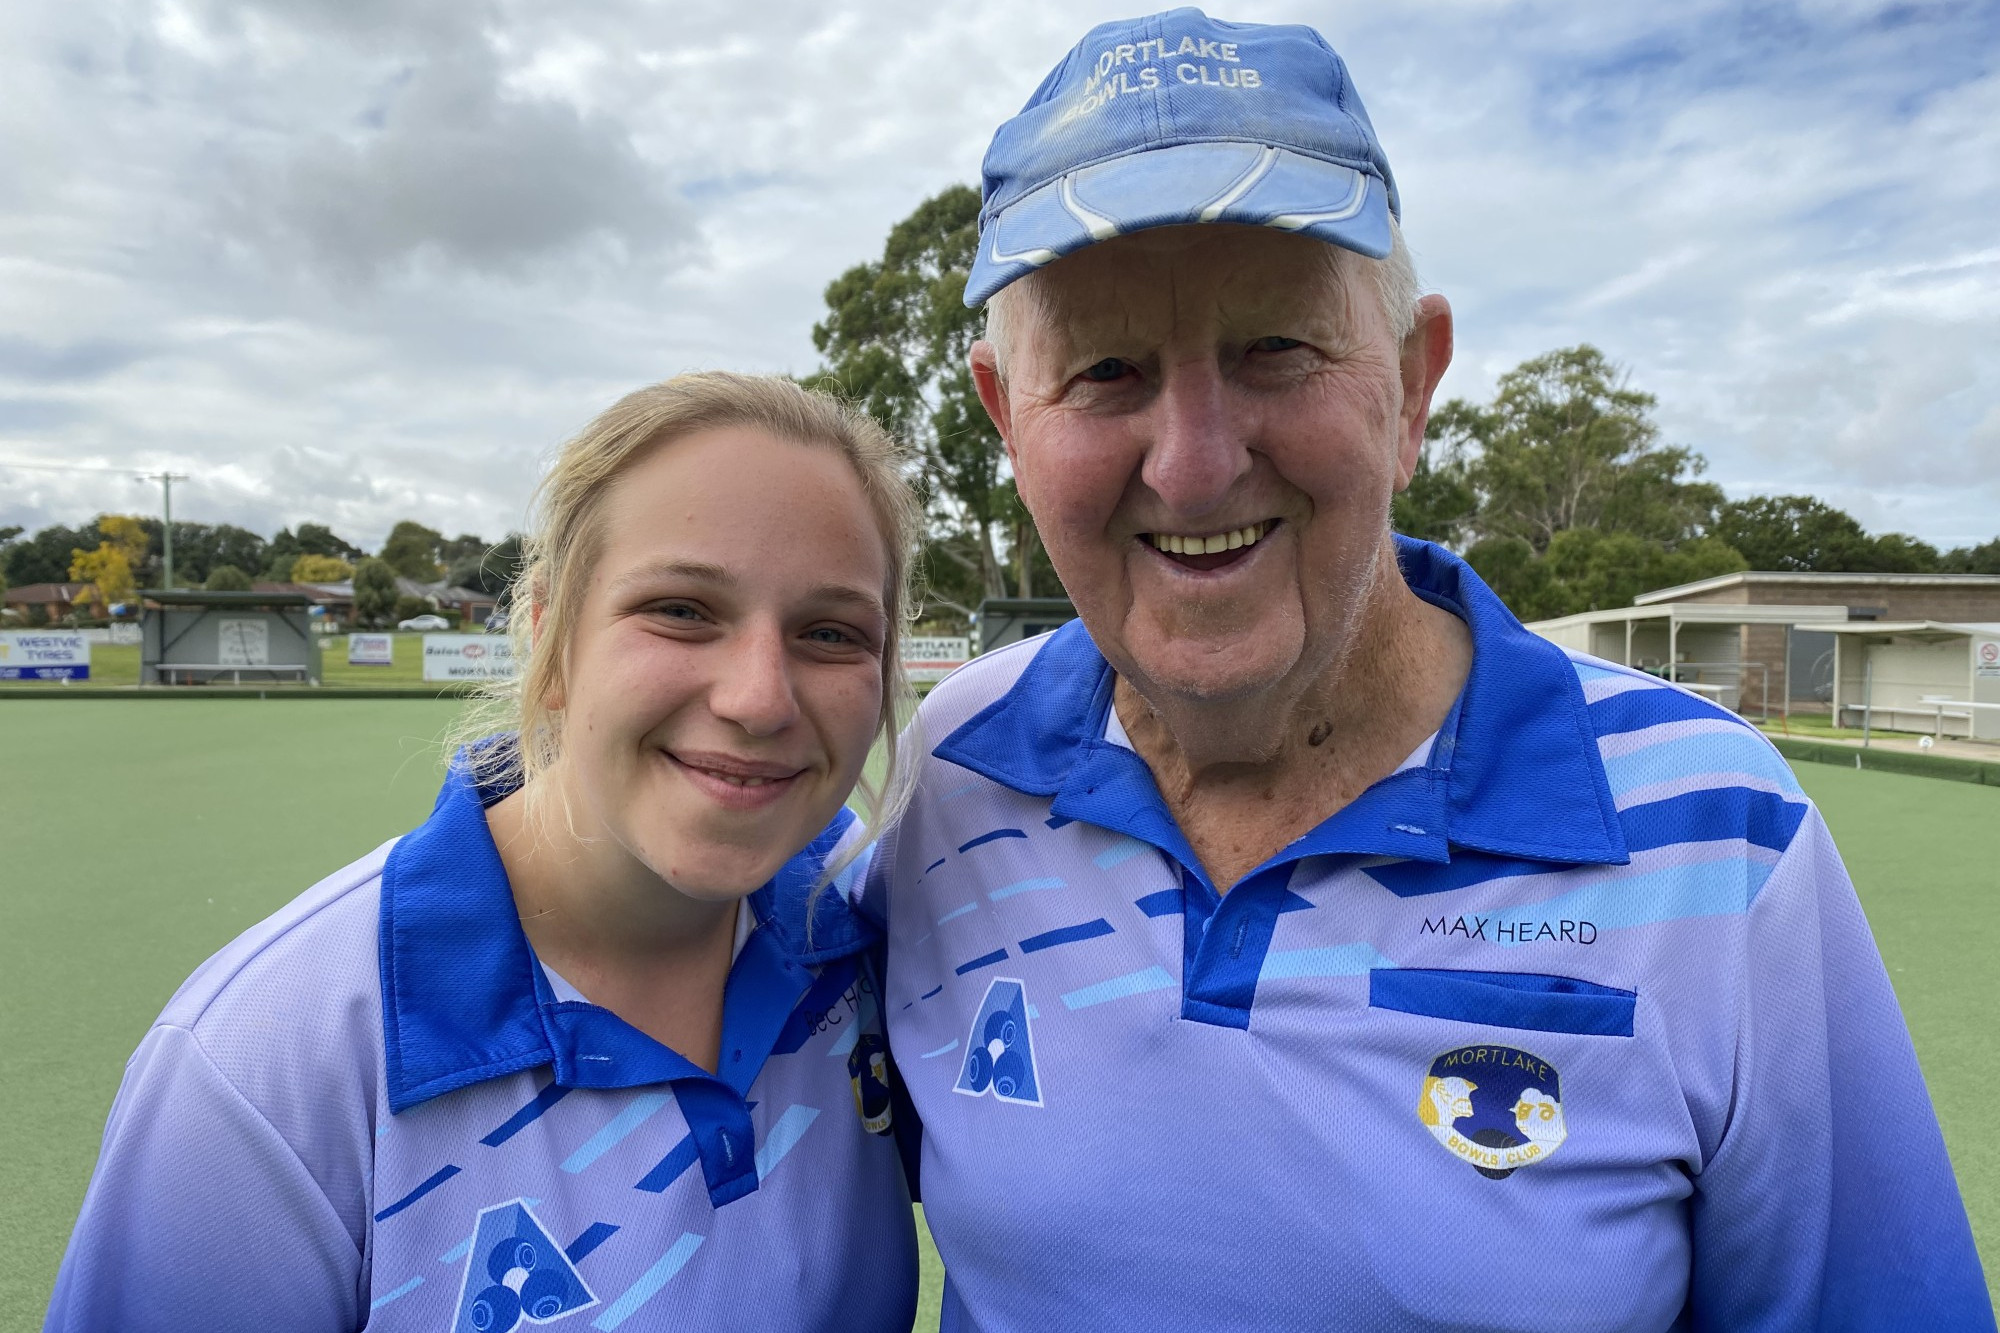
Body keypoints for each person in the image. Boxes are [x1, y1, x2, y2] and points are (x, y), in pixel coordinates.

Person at [865, 10, 1995, 1330]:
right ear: (1007, 418)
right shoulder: (953, 765)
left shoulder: (1720, 842)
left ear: (1410, 385)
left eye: (1275, 347)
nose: (1192, 461)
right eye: (1107, 370)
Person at [47, 374, 922, 1332]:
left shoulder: (879, 919)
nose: (760, 698)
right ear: (550, 632)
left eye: (830, 632)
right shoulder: (260, 1070)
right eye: (680, 609)